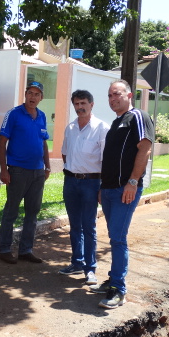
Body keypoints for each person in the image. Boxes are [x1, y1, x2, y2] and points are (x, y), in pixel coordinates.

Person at [92, 79, 154, 309]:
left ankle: (119, 289)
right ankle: (112, 280)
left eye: (116, 94)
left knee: (118, 239)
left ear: (129, 95)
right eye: (109, 95)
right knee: (114, 236)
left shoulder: (138, 117)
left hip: (124, 190)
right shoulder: (117, 122)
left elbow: (145, 147)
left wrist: (132, 182)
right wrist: (102, 187)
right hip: (109, 189)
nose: (112, 99)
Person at [59, 90, 109, 286]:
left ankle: (90, 269)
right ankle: (76, 262)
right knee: (74, 226)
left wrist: (101, 187)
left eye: (83, 103)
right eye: (76, 104)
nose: (80, 107)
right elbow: (65, 154)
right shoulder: (70, 128)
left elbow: (105, 161)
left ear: (91, 104)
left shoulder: (102, 128)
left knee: (89, 226)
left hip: (91, 183)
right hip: (71, 182)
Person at [0, 81, 51, 264]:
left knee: (32, 212)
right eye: (30, 93)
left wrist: (47, 166)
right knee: (11, 211)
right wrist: (4, 169)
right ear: (25, 94)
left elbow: (43, 142)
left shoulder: (42, 116)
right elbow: (2, 142)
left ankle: (25, 250)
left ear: (41, 98)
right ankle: (4, 249)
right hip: (17, 171)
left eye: (37, 94)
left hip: (37, 172)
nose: (33, 97)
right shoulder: (13, 114)